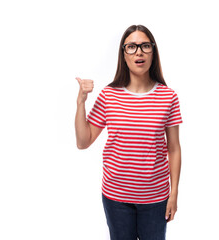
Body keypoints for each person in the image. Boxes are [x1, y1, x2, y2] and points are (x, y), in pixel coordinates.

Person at [74, 25, 182, 240]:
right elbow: (83, 141)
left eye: (145, 46)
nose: (139, 52)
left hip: (155, 198)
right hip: (116, 197)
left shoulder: (168, 97)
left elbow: (174, 148)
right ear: (123, 55)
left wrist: (174, 194)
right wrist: (81, 103)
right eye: (131, 47)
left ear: (153, 51)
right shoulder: (109, 96)